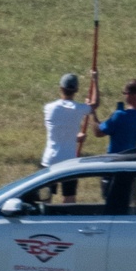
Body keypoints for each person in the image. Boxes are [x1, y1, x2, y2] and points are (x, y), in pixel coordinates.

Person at [41, 72, 97, 205]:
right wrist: (95, 80)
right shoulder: (78, 109)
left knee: (44, 198)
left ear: (60, 88)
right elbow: (95, 104)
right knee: (69, 198)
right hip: (69, 161)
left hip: (50, 159)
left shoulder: (49, 108)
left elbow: (58, 130)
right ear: (76, 90)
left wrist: (75, 137)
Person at [91, 80, 136, 155]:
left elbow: (98, 133)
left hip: (115, 160)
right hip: (132, 159)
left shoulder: (119, 115)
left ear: (129, 94)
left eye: (124, 93)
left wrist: (92, 113)